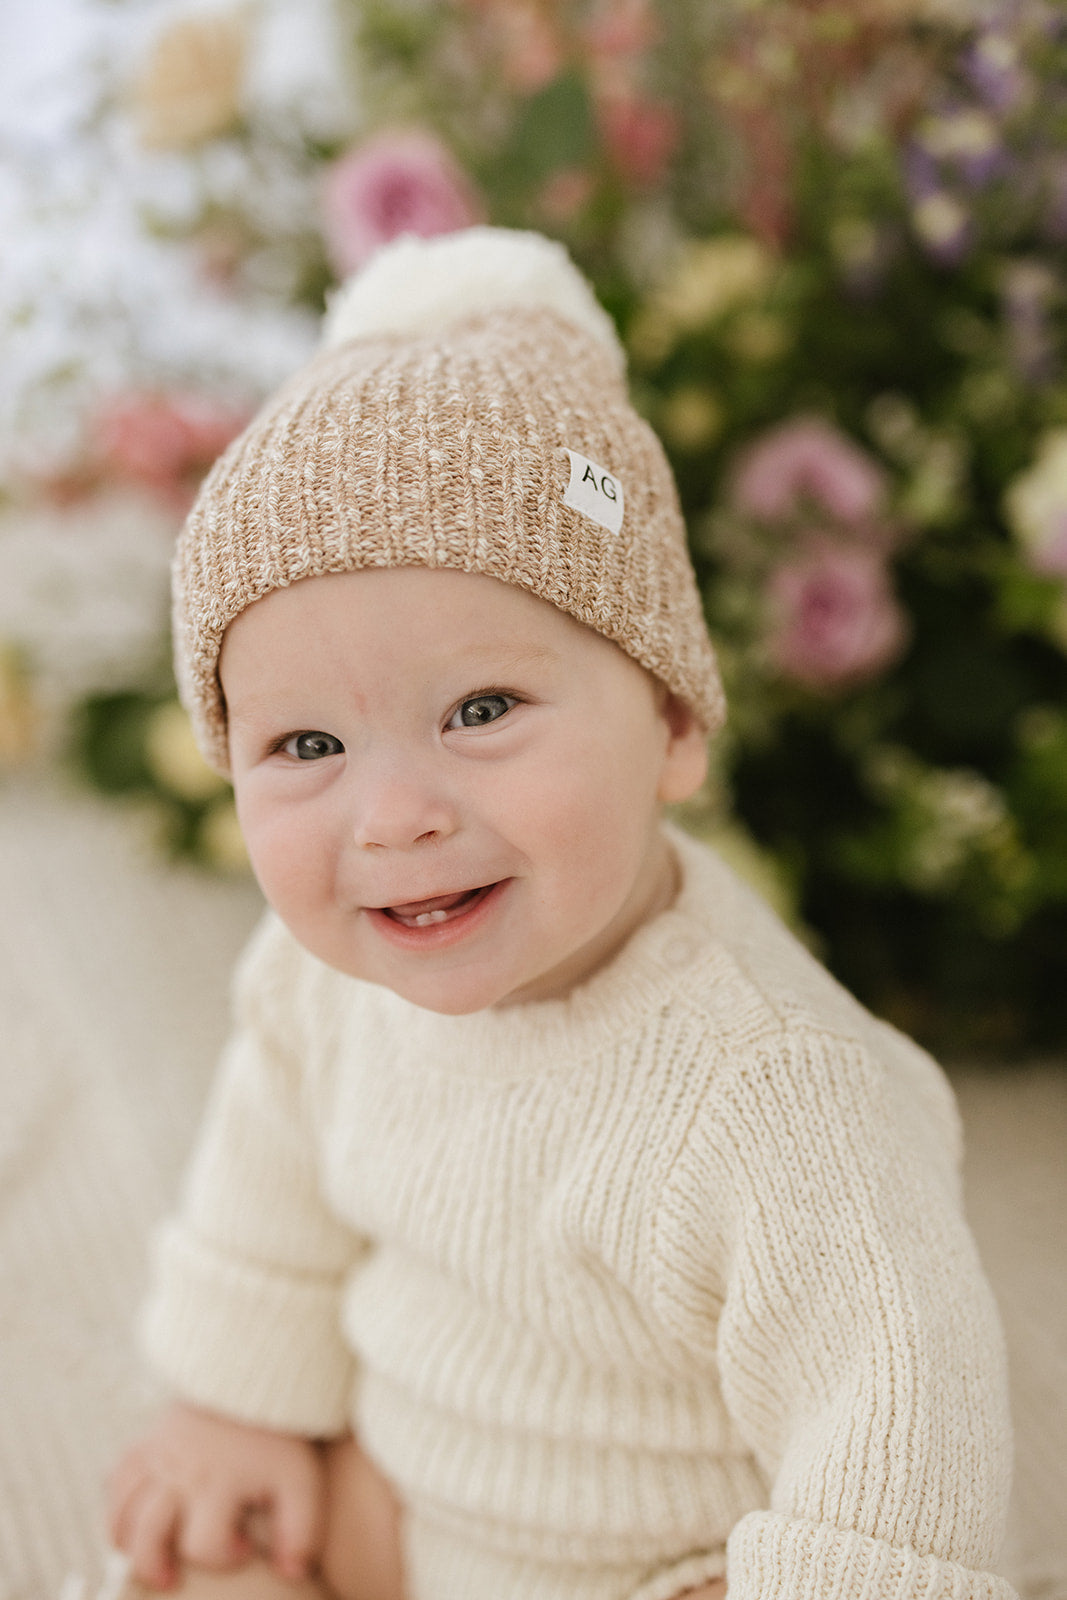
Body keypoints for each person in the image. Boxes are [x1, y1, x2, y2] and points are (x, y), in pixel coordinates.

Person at [106, 227, 1016, 1600]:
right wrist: (240, 1400)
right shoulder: (316, 987)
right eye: (305, 748)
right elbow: (267, 1196)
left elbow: (897, 1433)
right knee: (195, 1554)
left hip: (660, 1563)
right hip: (405, 1500)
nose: (392, 817)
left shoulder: (777, 1096)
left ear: (668, 721)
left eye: (481, 712)